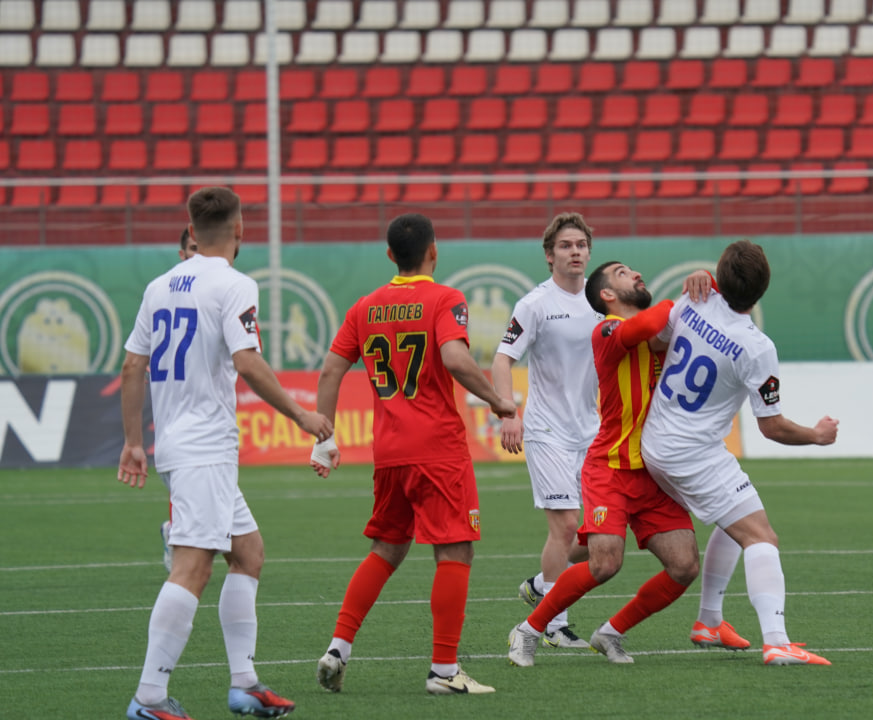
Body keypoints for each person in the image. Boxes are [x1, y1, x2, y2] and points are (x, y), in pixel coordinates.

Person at [118, 187, 333, 720]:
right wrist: (301, 415)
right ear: (239, 230)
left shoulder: (157, 286)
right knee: (192, 568)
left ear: (191, 232)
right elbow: (247, 361)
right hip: (205, 448)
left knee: (249, 552)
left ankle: (244, 684)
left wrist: (132, 443)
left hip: (176, 442)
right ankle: (148, 698)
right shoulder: (234, 284)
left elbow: (131, 367)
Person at [309, 213, 517, 695]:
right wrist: (498, 401)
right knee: (455, 549)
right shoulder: (445, 299)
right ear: (434, 251)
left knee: (387, 547)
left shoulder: (365, 307)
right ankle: (445, 671)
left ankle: (339, 648)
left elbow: (329, 372)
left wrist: (324, 438)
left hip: (389, 452)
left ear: (389, 256)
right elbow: (454, 357)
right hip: (438, 449)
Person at [507, 262, 742, 666]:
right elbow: (643, 327)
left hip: (654, 472)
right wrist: (684, 299)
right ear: (607, 296)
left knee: (684, 566)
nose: (635, 273)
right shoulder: (606, 331)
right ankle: (529, 630)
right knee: (605, 563)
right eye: (622, 272)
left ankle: (610, 632)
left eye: (633, 270)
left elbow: (713, 323)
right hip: (610, 467)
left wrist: (708, 280)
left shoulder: (663, 332)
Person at [641, 240, 838, 667]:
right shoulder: (757, 346)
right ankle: (778, 641)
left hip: (657, 438)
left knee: (735, 516)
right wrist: (817, 436)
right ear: (763, 289)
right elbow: (772, 427)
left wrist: (698, 287)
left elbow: (655, 345)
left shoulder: (693, 301)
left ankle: (709, 620)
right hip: (690, 452)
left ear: (718, 275)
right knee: (761, 536)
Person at [491, 212, 600, 648]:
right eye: (566, 245)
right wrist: (507, 413)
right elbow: (502, 360)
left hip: (593, 431)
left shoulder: (602, 299)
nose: (575, 251)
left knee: (596, 536)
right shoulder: (535, 304)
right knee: (567, 526)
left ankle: (541, 585)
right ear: (549, 255)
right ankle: (554, 622)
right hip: (546, 430)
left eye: (581, 245)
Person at [160, 228, 200, 574]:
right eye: (191, 249)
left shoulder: (219, 290)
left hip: (204, 423)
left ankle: (176, 535)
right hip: (190, 428)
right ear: (181, 253)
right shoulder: (163, 294)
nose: (197, 254)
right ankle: (177, 539)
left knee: (247, 550)